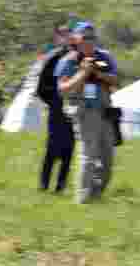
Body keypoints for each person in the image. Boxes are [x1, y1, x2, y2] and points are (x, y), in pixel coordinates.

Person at [56, 21, 119, 203]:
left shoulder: (105, 57)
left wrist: (99, 73)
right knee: (88, 155)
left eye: (93, 37)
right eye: (86, 38)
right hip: (84, 111)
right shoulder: (69, 61)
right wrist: (83, 73)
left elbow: (115, 80)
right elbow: (63, 89)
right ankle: (82, 199)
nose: (90, 41)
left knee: (107, 159)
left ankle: (96, 194)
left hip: (105, 110)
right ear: (76, 40)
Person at [37, 25, 75, 192]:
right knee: (52, 148)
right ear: (57, 38)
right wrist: (54, 101)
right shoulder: (52, 59)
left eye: (68, 35)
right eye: (62, 35)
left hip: (74, 110)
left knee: (69, 149)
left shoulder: (78, 57)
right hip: (57, 109)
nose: (66, 38)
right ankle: (44, 185)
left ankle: (60, 186)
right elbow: (41, 88)